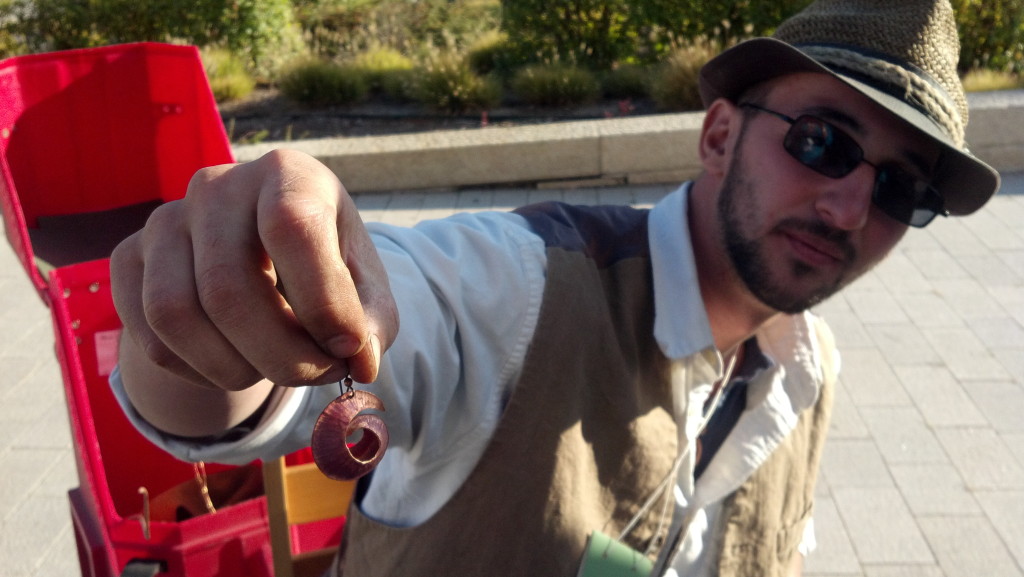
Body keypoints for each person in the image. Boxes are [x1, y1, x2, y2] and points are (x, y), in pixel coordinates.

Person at [108, 0, 1000, 575]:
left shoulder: (809, 367)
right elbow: (374, 325)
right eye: (823, 142)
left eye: (901, 190)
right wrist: (218, 296)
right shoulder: (525, 286)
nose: (850, 207)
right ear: (720, 135)